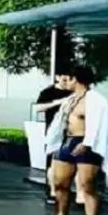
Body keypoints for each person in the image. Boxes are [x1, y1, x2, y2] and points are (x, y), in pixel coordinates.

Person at [43, 64, 108, 215]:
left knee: (87, 185)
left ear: (77, 80)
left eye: (69, 79)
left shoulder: (97, 100)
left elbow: (101, 125)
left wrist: (87, 143)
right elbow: (60, 122)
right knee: (59, 182)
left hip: (87, 144)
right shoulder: (71, 99)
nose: (65, 82)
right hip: (69, 141)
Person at [33, 74, 73, 202]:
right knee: (52, 161)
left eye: (69, 78)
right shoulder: (48, 92)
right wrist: (56, 103)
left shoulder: (73, 91)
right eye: (63, 78)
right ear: (57, 77)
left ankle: (66, 190)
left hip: (71, 132)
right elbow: (37, 108)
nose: (66, 80)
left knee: (69, 162)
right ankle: (51, 191)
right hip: (53, 132)